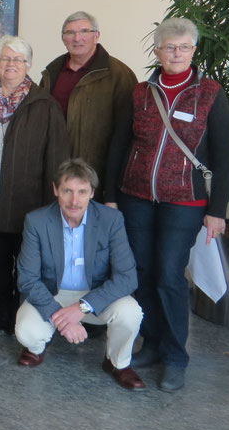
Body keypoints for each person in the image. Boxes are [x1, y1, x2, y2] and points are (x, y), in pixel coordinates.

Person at [106, 17, 229, 393]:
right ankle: (153, 343)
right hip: (136, 198)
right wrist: (112, 196)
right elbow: (118, 145)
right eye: (169, 47)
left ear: (194, 51)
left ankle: (177, 355)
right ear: (157, 51)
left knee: (168, 274)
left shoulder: (210, 93)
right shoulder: (140, 92)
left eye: (184, 47)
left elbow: (226, 157)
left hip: (186, 201)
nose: (176, 53)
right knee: (142, 271)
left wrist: (218, 211)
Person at [0, 36, 70, 336]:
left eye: (18, 60)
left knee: (30, 268)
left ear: (28, 65)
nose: (11, 64)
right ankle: (4, 313)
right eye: (5, 59)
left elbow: (58, 157)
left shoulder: (44, 105)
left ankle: (28, 316)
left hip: (30, 204)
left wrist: (54, 202)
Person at [14, 159, 146, 391]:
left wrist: (82, 307)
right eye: (68, 191)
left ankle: (118, 363)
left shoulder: (111, 220)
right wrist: (61, 319)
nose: (75, 201)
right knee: (26, 330)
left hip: (96, 295)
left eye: (82, 192)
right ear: (55, 190)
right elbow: (27, 279)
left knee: (131, 312)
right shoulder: (37, 221)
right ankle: (36, 349)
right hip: (52, 294)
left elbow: (127, 277)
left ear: (92, 193)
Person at [39, 11, 137, 201]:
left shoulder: (119, 75)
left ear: (96, 35)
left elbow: (127, 135)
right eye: (70, 33)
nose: (77, 38)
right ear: (63, 38)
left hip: (96, 176)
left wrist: (112, 187)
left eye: (84, 31)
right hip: (57, 171)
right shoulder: (51, 72)